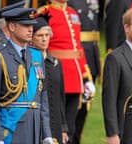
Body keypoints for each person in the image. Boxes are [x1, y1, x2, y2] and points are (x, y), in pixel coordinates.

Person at [0, 7, 54, 144]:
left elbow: (43, 97)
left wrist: (46, 133)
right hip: (11, 131)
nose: (30, 29)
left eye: (31, 25)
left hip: (35, 130)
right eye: (25, 25)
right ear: (12, 26)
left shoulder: (37, 56)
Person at [37, 0, 96, 143]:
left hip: (74, 77)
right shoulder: (44, 13)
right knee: (56, 126)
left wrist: (85, 76)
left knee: (71, 126)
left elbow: (77, 48)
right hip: (55, 73)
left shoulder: (72, 13)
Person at [102, 8, 132, 144]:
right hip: (126, 129)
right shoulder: (115, 58)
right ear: (126, 28)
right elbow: (109, 98)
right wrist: (112, 133)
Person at [31, 12, 69, 144]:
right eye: (40, 35)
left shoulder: (55, 63)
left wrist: (63, 127)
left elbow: (60, 98)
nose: (44, 39)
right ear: (32, 38)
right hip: (35, 123)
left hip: (56, 123)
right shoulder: (28, 62)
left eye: (47, 35)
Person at [67, 0, 100, 143]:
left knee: (85, 107)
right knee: (73, 111)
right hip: (75, 58)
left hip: (91, 57)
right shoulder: (70, 2)